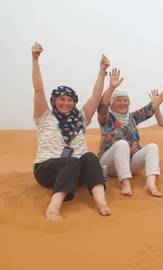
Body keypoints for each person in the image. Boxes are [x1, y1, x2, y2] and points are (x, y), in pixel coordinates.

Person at [31, 42, 112, 220]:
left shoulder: (80, 119)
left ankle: (101, 202)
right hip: (47, 170)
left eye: (70, 100)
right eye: (62, 99)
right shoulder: (44, 116)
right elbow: (38, 90)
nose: (66, 103)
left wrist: (101, 71)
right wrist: (35, 60)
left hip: (75, 173)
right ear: (54, 101)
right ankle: (53, 207)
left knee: (90, 157)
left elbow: (95, 97)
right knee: (72, 161)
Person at [97, 70, 163, 197]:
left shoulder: (132, 118)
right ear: (113, 103)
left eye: (125, 100)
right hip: (109, 164)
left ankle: (151, 184)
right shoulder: (106, 118)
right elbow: (102, 106)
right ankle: (126, 183)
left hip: (130, 163)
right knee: (122, 144)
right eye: (119, 100)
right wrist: (111, 87)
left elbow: (150, 108)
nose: (123, 103)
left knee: (153, 147)